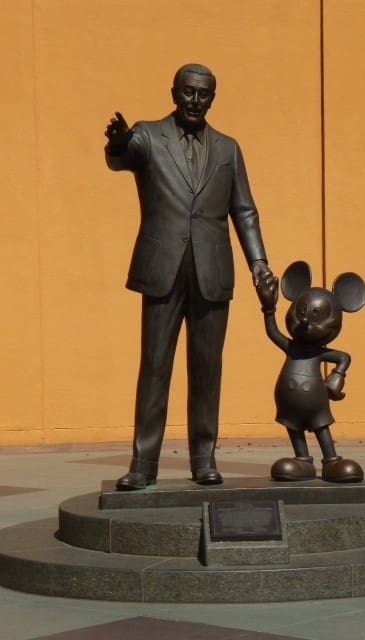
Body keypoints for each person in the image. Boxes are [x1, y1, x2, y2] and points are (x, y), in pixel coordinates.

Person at [105, 63, 275, 489]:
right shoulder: (148, 136)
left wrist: (259, 264)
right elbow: (122, 157)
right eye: (188, 92)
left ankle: (204, 460)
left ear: (212, 98)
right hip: (162, 270)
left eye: (203, 94)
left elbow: (245, 211)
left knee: (207, 370)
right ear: (174, 93)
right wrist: (118, 143)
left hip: (212, 272)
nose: (195, 100)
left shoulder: (228, 149)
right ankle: (143, 465)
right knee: (154, 367)